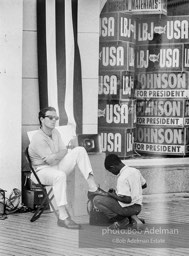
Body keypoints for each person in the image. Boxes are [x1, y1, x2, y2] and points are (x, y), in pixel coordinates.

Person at [28, 106, 107, 229]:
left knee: (80, 150)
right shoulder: (38, 138)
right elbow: (49, 160)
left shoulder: (55, 132)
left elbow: (63, 151)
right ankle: (63, 216)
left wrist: (57, 155)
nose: (54, 120)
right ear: (42, 119)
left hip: (56, 166)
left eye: (56, 118)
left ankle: (93, 188)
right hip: (41, 171)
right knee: (59, 176)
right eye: (50, 117)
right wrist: (58, 155)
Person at [93, 154, 147, 230]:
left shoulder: (122, 178)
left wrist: (113, 195)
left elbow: (127, 200)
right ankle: (132, 219)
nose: (112, 173)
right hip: (138, 208)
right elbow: (144, 185)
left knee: (97, 199)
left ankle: (122, 221)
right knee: (113, 200)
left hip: (128, 208)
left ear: (113, 167)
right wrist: (132, 189)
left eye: (110, 171)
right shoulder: (135, 171)